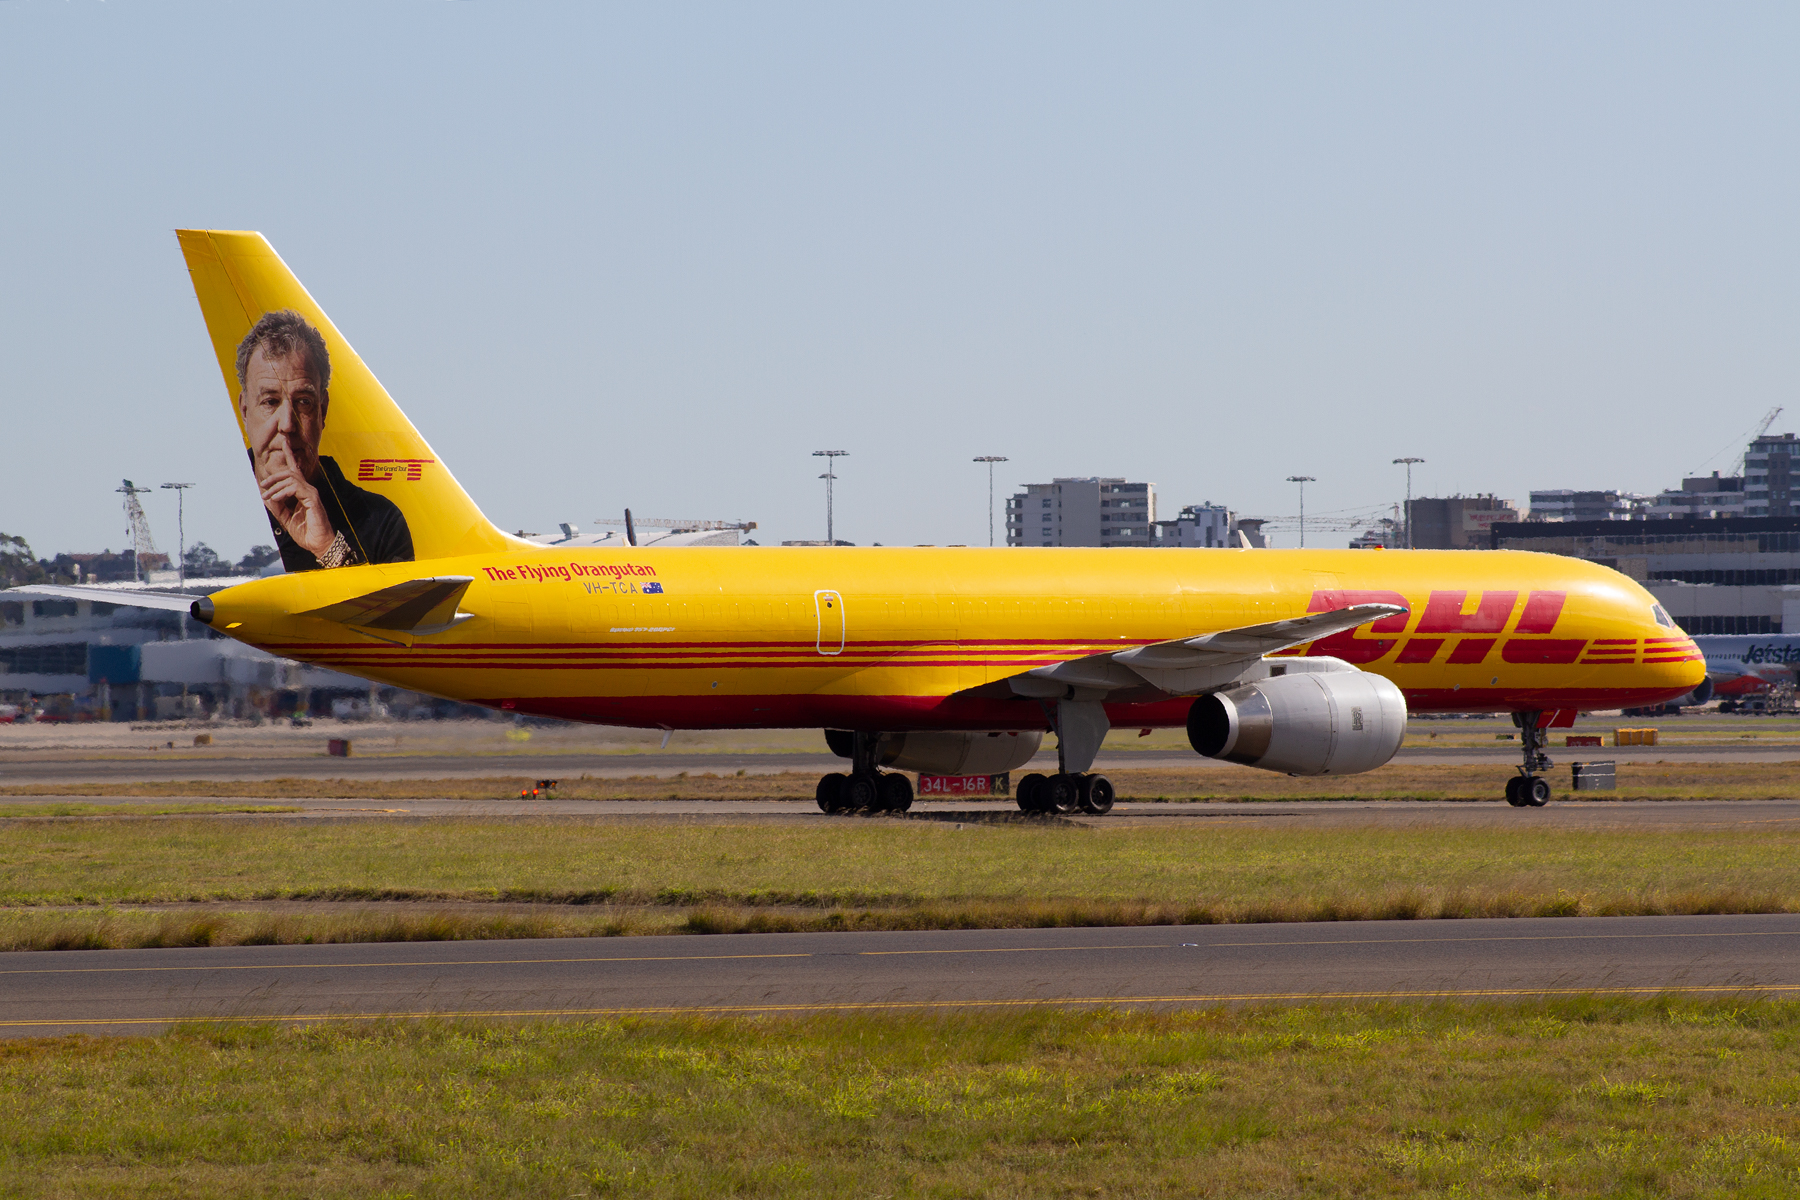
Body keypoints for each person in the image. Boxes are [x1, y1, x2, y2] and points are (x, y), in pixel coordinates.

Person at [236, 310, 413, 571]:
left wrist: (330, 549)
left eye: (303, 403)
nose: (287, 424)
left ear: (323, 412)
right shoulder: (209, 494)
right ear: (245, 411)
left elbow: (395, 613)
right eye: (270, 402)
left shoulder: (380, 521)